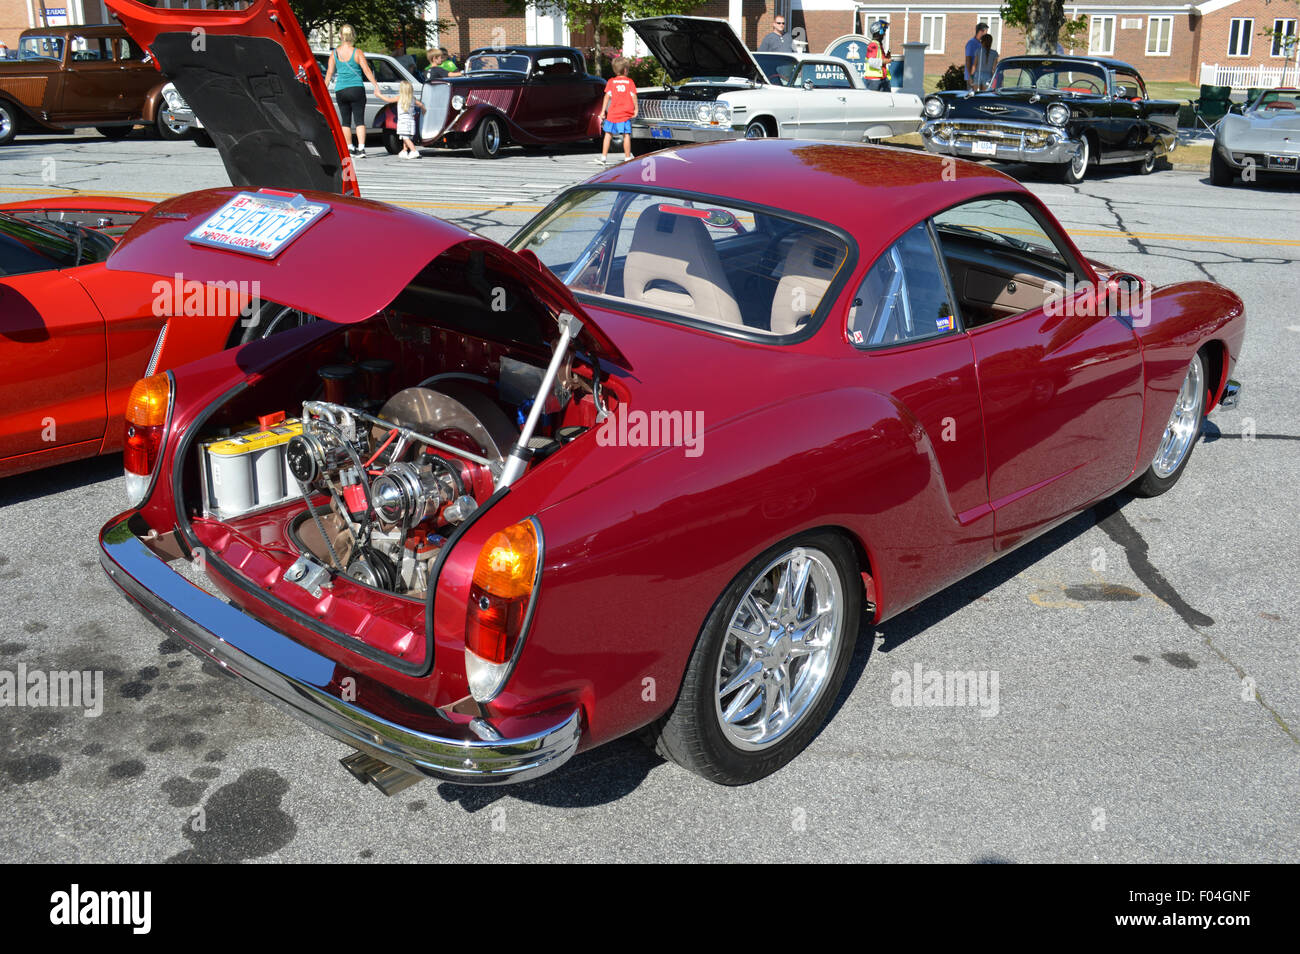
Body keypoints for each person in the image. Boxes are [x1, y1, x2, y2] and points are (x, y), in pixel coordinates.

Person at [324, 24, 382, 157]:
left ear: (340, 36)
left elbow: (329, 73)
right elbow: (366, 70)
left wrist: (324, 89)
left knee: (345, 121)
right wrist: (375, 85)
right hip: (356, 89)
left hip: (341, 90)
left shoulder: (334, 53)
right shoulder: (357, 52)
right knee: (359, 120)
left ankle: (350, 147)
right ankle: (361, 149)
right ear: (352, 35)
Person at [597, 57, 637, 165]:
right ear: (625, 70)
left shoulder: (611, 82)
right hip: (625, 114)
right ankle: (627, 158)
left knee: (608, 134)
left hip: (613, 113)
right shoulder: (630, 82)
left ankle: (603, 157)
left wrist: (602, 111)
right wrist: (636, 109)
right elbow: (633, 96)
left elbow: (606, 96)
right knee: (626, 134)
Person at [376, 80, 422, 158]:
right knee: (406, 136)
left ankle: (414, 151)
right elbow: (420, 104)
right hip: (411, 121)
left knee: (405, 137)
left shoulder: (400, 97)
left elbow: (388, 100)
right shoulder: (413, 98)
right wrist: (424, 111)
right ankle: (404, 150)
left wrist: (379, 95)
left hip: (403, 121)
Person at [863, 19, 892, 92]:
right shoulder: (873, 45)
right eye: (883, 31)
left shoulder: (878, 45)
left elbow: (881, 60)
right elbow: (871, 61)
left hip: (882, 78)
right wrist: (884, 61)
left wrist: (887, 57)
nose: (884, 34)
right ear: (878, 32)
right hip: (874, 81)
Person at [964, 22, 988, 89]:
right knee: (973, 98)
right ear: (981, 31)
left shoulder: (980, 44)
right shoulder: (971, 43)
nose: (986, 34)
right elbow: (968, 61)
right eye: (986, 32)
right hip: (973, 78)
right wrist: (970, 77)